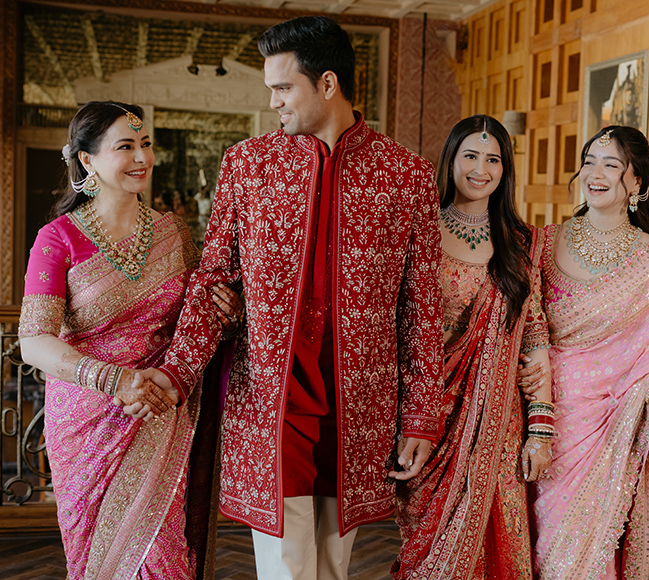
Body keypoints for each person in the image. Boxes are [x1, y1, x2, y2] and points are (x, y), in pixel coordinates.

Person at [132, 16, 444, 580]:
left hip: (359, 407)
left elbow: (421, 308)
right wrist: (177, 373)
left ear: (327, 84)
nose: (273, 101)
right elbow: (213, 281)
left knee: (332, 565)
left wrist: (421, 416)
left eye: (282, 88)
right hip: (272, 402)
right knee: (286, 567)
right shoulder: (248, 165)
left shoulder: (405, 175)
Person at [19, 101, 241, 580]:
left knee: (163, 555)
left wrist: (227, 307)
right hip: (88, 419)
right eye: (125, 146)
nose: (142, 157)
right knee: (98, 559)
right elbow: (33, 341)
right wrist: (114, 380)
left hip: (159, 411)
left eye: (146, 144)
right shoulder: (57, 239)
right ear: (86, 161)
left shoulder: (173, 233)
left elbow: (196, 318)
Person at [520, 125, 649, 579]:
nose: (595, 173)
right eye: (589, 161)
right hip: (539, 414)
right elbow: (521, 328)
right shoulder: (541, 243)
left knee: (585, 553)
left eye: (611, 164)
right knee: (533, 543)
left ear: (636, 182)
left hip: (611, 424)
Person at [392, 115, 553, 579]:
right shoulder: (420, 231)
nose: (481, 168)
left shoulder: (521, 244)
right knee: (427, 545)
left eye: (493, 159)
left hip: (498, 426)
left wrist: (540, 429)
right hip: (427, 414)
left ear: (505, 170)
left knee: (499, 538)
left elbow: (536, 335)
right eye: (470, 155)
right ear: (450, 160)